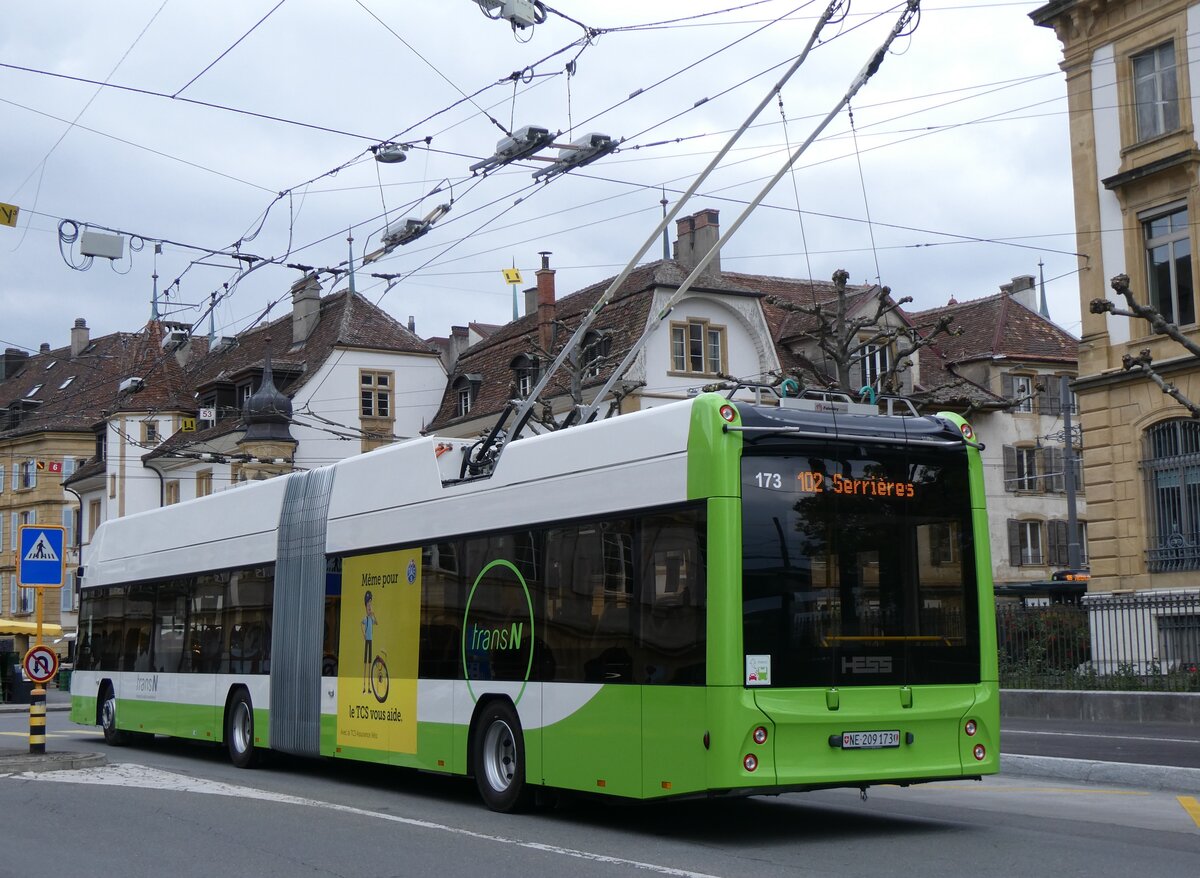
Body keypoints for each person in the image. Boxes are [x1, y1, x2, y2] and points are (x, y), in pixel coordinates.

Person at [361, 590, 377, 693]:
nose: (369, 608)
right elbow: (360, 624)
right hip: (367, 641)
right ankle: (364, 686)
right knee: (365, 662)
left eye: (370, 607)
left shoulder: (371, 619)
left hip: (370, 641)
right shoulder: (365, 619)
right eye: (368, 607)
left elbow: (377, 622)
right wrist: (363, 634)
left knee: (370, 662)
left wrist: (374, 614)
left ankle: (369, 687)